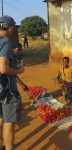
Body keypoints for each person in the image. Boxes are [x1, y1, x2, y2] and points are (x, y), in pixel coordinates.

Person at [0, 15, 25, 150]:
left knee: (0, 119)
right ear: (10, 29)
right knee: (9, 122)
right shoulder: (5, 41)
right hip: (6, 89)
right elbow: (3, 68)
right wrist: (19, 70)